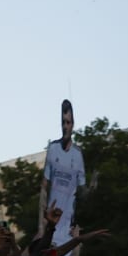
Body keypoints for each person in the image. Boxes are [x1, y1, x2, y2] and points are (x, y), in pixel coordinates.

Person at [40, 99, 85, 246]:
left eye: (68, 122)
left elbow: (82, 192)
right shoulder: (53, 149)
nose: (65, 126)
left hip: (68, 225)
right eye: (63, 123)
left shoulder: (78, 154)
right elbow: (44, 186)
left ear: (73, 124)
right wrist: (41, 222)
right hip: (51, 223)